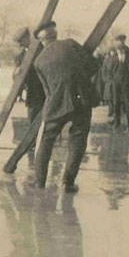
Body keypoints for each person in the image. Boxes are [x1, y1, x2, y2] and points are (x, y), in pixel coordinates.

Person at [33, 21, 99, 192]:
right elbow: (93, 66)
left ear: (42, 40)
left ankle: (39, 182)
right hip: (81, 100)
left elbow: (46, 90)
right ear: (55, 35)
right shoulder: (71, 44)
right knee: (78, 140)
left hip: (56, 104)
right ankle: (67, 183)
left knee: (46, 141)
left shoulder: (38, 61)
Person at [13, 28, 45, 123]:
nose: (19, 44)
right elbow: (16, 79)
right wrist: (16, 75)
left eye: (21, 41)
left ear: (28, 37)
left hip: (45, 93)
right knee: (32, 122)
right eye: (17, 42)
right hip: (33, 95)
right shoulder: (19, 57)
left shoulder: (42, 50)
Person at [110, 34, 129, 131]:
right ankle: (116, 123)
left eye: (122, 41)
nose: (120, 43)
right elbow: (110, 69)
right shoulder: (113, 55)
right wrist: (113, 78)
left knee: (127, 103)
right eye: (118, 41)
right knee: (116, 102)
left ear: (124, 42)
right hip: (116, 82)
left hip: (127, 82)